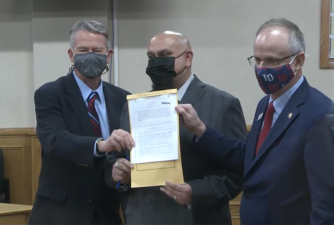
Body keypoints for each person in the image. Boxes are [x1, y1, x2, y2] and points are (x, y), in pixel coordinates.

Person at [174, 19, 334, 225]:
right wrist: (200, 130)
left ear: (299, 61)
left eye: (272, 61)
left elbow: (329, 208)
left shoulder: (323, 116)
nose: (261, 68)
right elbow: (252, 157)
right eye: (257, 60)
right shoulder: (265, 105)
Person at [105, 31, 247, 225]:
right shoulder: (134, 106)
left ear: (188, 58)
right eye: (151, 57)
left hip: (194, 218)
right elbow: (116, 162)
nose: (156, 63)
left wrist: (194, 193)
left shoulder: (222, 104)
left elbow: (237, 173)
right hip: (142, 217)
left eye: (164, 55)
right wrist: (118, 171)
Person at [29, 20, 134, 225]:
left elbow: (124, 153)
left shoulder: (124, 99)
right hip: (60, 213)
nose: (90, 55)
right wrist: (100, 145)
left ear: (108, 56)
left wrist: (121, 166)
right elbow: (55, 141)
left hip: (106, 212)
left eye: (97, 50)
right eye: (83, 50)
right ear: (71, 55)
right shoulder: (50, 94)